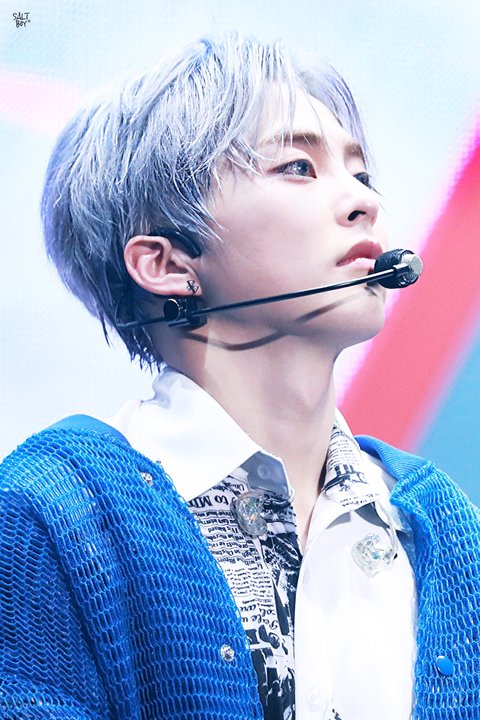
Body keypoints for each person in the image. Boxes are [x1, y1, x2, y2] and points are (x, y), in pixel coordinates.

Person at [1, 35, 479, 720]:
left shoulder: (444, 528)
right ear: (166, 265)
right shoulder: (53, 513)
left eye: (361, 174)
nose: (362, 202)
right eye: (297, 167)